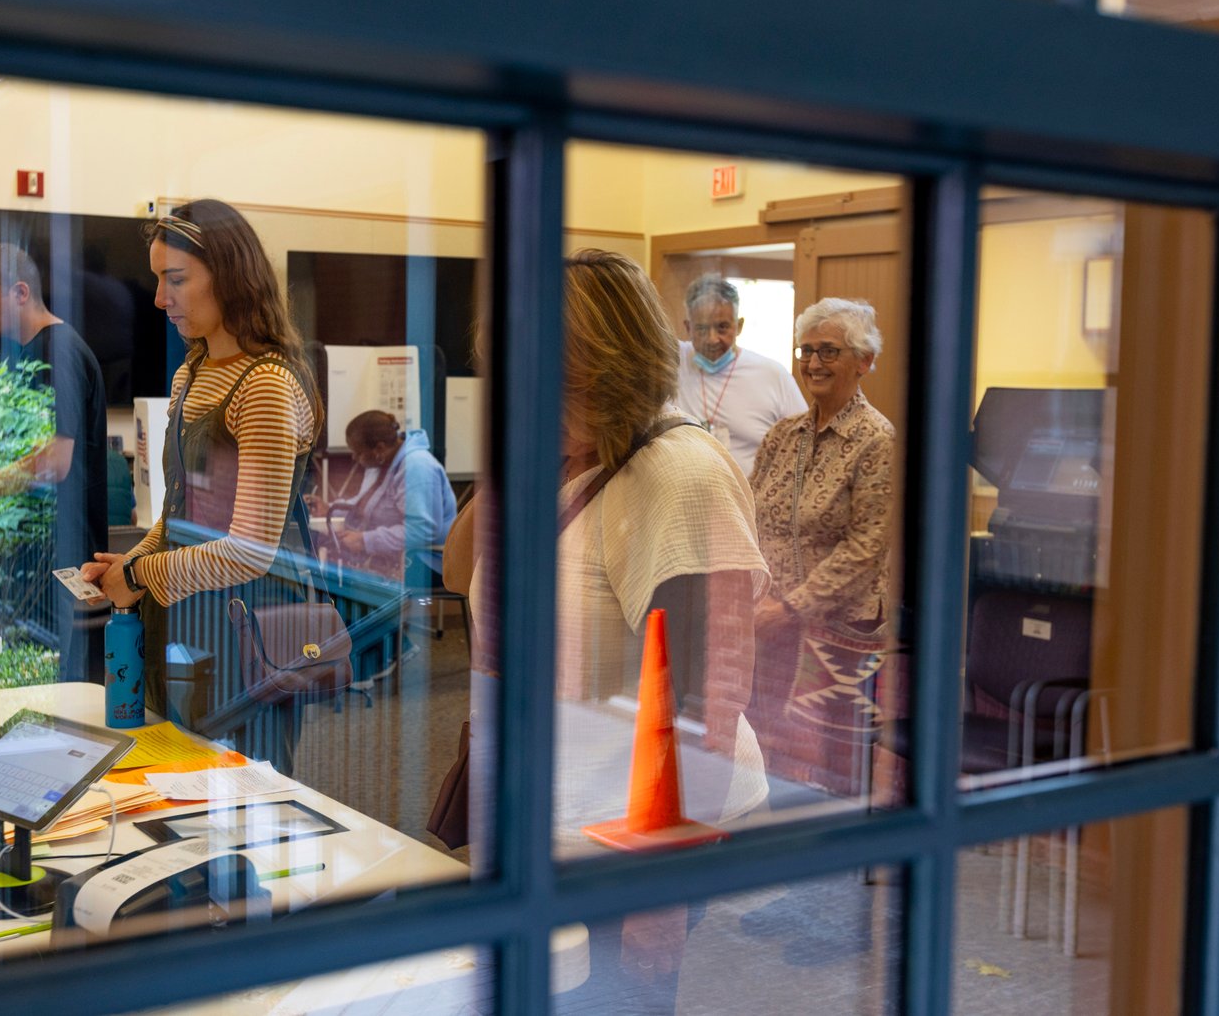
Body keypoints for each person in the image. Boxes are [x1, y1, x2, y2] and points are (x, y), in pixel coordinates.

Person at [449, 250, 769, 1011]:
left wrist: (658, 904)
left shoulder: (679, 475)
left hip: (625, 839)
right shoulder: (565, 456)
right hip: (547, 811)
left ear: (606, 371)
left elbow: (706, 705)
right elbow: (458, 570)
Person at [81, 199, 325, 775]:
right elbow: (178, 515)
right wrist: (132, 563)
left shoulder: (265, 384)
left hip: (245, 634)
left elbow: (250, 552)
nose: (159, 299)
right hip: (185, 622)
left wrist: (138, 576)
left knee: (238, 794)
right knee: (172, 784)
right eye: (158, 280)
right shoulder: (190, 373)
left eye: (176, 279)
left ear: (231, 275)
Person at [748, 296, 896, 793]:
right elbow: (750, 513)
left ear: (864, 361)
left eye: (829, 351)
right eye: (806, 350)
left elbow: (866, 547)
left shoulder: (876, 440)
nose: (813, 363)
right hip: (770, 621)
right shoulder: (782, 435)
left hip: (838, 631)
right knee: (766, 747)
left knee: (833, 769)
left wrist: (791, 608)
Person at [0, 243, 108, 682]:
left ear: (20, 292)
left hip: (59, 561)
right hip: (31, 565)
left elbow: (55, 461)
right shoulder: (24, 355)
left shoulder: (60, 351)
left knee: (57, 691)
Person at [675, 273, 806, 477]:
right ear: (688, 327)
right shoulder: (673, 362)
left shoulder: (772, 375)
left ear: (739, 325)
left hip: (753, 494)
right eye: (702, 328)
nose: (712, 339)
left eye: (722, 327)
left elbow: (803, 443)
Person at [325, 410, 457, 582]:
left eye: (358, 452)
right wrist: (330, 509)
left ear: (379, 448)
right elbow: (365, 504)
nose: (354, 457)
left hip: (428, 566)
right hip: (396, 563)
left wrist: (365, 541)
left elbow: (422, 531)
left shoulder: (417, 467)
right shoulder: (380, 463)